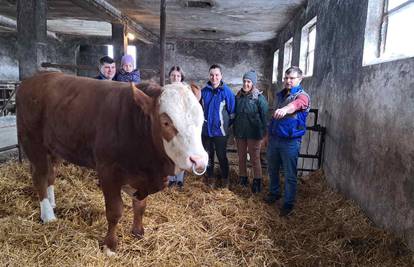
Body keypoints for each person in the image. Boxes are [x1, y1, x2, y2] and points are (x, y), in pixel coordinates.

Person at [264, 66, 310, 216]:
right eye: (286, 78)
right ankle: (274, 193)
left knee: (290, 174)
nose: (288, 81)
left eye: (292, 78)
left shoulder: (303, 96)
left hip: (290, 141)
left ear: (300, 79)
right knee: (272, 169)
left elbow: (296, 105)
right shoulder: (279, 95)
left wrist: (286, 109)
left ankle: (288, 202)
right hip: (275, 139)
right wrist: (267, 136)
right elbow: (273, 118)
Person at [233, 70, 268, 193]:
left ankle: (257, 181)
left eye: (248, 81)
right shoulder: (238, 96)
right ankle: (243, 179)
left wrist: (265, 134)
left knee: (255, 158)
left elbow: (265, 117)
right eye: (244, 81)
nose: (246, 84)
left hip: (254, 133)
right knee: (241, 157)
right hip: (240, 133)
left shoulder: (259, 98)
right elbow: (234, 113)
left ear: (253, 83)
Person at [201, 64, 235, 188]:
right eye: (212, 75)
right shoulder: (203, 92)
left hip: (220, 132)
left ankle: (225, 179)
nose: (214, 77)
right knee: (208, 155)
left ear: (221, 76)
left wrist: (224, 126)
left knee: (221, 155)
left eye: (216, 75)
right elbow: (199, 110)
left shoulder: (227, 92)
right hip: (206, 131)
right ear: (209, 76)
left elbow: (232, 113)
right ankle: (210, 178)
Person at [167, 66, 186, 189]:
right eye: (173, 75)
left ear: (181, 78)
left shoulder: (185, 91)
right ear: (169, 77)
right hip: (168, 127)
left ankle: (179, 179)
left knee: (180, 152)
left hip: (181, 126)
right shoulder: (165, 90)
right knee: (169, 152)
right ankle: (170, 178)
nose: (175, 78)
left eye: (178, 76)